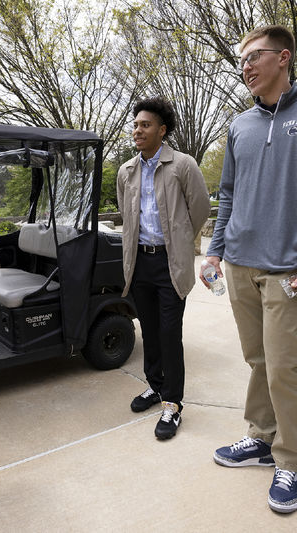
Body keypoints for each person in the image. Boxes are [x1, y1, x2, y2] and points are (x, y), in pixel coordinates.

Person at [202, 25, 297, 513]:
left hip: (288, 268)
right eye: (241, 60)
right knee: (258, 361)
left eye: (254, 57)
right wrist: (215, 249)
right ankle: (262, 439)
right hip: (240, 264)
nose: (245, 66)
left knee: (283, 366)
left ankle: (291, 460)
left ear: (283, 58)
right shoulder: (239, 124)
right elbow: (227, 191)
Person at [117, 96, 210, 440]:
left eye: (145, 125)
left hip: (170, 263)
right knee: (151, 331)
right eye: (136, 125)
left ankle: (172, 403)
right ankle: (154, 387)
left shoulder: (183, 165)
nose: (138, 130)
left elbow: (199, 210)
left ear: (162, 130)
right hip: (140, 261)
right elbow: (128, 218)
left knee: (170, 334)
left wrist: (182, 240)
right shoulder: (127, 170)